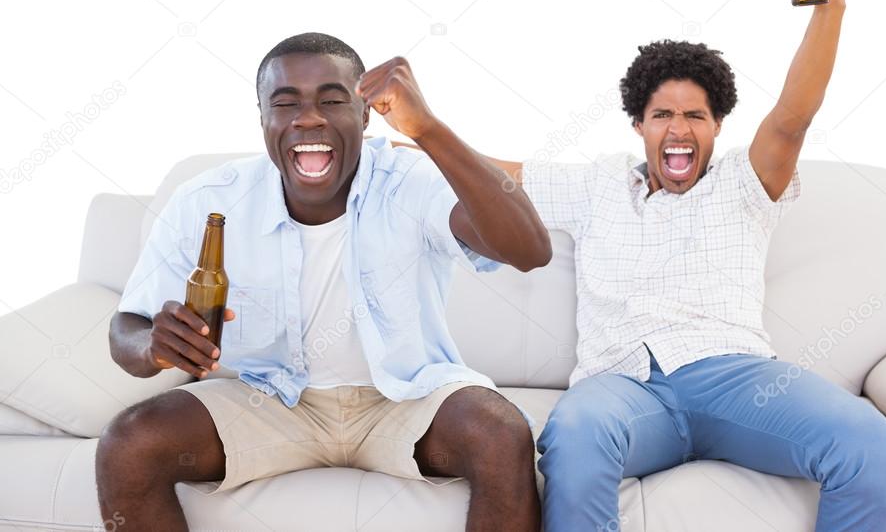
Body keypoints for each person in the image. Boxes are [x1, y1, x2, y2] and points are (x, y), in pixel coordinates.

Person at [477, 0, 886, 531]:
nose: (679, 129)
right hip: (622, 389)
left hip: (736, 380)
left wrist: (829, 7)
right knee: (573, 432)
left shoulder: (743, 183)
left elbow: (792, 116)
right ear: (638, 125)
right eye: (662, 115)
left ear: (717, 126)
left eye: (695, 116)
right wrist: (396, 136)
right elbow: (486, 175)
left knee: (864, 439)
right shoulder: (596, 184)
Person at [95, 33, 550, 532]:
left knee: (501, 435)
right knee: (129, 443)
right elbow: (127, 329)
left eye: (333, 100)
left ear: (366, 113)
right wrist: (153, 347)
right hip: (269, 401)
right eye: (285, 103)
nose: (307, 118)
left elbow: (529, 250)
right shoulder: (208, 198)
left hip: (402, 400)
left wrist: (428, 129)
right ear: (263, 118)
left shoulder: (409, 179)